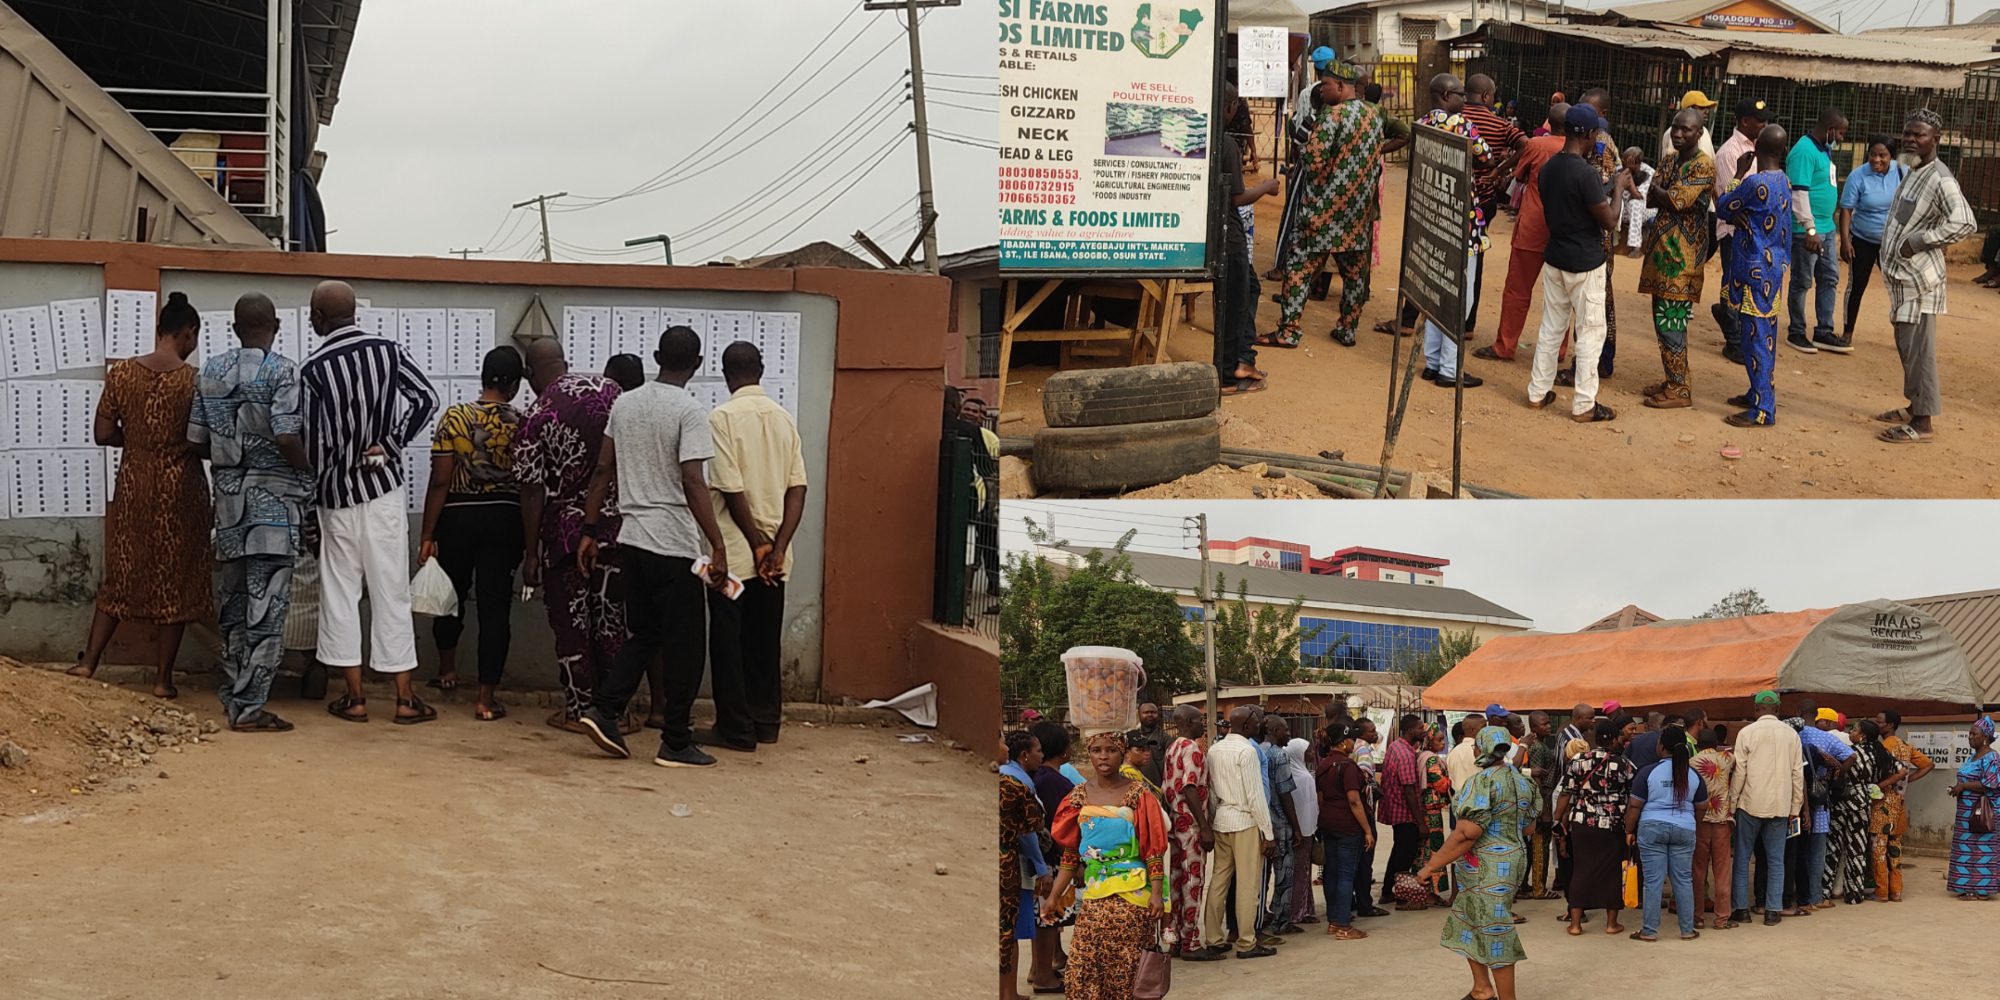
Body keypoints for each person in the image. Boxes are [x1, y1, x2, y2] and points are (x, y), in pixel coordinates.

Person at [575, 326, 731, 768]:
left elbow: (603, 469)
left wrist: (589, 529)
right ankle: (676, 741)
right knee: (685, 646)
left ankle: (604, 710)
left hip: (632, 539)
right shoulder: (690, 411)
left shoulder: (625, 404)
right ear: (697, 366)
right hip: (673, 543)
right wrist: (716, 545)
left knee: (643, 634)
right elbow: (692, 479)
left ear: (657, 356)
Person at [299, 280, 440, 724]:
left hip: (336, 498)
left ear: (319, 318)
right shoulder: (388, 350)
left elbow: (312, 441)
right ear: (354, 311)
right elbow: (427, 399)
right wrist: (391, 443)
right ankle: (404, 699)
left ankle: (355, 698)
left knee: (341, 594)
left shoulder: (313, 369)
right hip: (383, 492)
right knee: (391, 591)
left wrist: (312, 500)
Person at [69, 292, 214, 699]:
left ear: (159, 330)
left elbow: (101, 434)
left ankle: (88, 663)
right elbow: (203, 442)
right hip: (182, 489)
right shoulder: (195, 380)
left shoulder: (121, 375)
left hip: (134, 484)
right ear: (188, 333)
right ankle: (162, 681)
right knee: (176, 581)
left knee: (122, 572)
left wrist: (135, 442)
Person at [186, 292, 311, 731]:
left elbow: (195, 440)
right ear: (275, 325)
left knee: (235, 609)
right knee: (268, 611)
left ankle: (235, 695)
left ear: (236, 328)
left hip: (230, 510)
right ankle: (251, 708)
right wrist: (307, 476)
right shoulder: (284, 372)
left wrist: (230, 457)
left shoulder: (211, 372)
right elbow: (287, 435)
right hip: (274, 511)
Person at [517, 338, 634, 732]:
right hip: (619, 531)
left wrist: (531, 553)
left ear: (530, 375)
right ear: (565, 362)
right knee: (612, 623)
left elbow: (531, 488)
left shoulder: (537, 412)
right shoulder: (613, 391)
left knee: (572, 624)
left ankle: (579, 710)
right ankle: (617, 711)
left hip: (565, 536)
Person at [703, 342, 809, 748]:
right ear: (761, 369)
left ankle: (734, 727)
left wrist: (757, 544)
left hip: (733, 552)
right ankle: (766, 721)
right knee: (764, 639)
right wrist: (778, 547)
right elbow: (797, 488)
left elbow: (730, 488)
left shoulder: (721, 418)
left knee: (728, 640)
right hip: (776, 560)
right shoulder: (784, 419)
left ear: (725, 373)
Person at [418, 345, 526, 720]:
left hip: (459, 516)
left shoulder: (455, 417)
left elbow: (440, 481)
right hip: (506, 519)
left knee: (452, 596)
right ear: (514, 385)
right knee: (496, 607)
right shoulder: (522, 421)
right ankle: (486, 698)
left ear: (482, 377)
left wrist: (427, 534)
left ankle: (447, 670)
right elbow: (530, 485)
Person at [1876, 107, 1979, 445]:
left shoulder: (1940, 178)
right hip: (1904, 282)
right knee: (1909, 349)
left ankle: (1923, 422)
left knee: (1920, 352)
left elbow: (1965, 222)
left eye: (1918, 134)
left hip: (1919, 284)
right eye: (1907, 133)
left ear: (1936, 138)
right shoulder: (1914, 169)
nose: (1910, 139)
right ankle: (1914, 406)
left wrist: (1920, 241)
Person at [1043, 730, 1168, 999]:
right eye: (1097, 749)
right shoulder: (1078, 796)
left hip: (1132, 899)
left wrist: (1157, 894)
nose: (1103, 756)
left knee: (1128, 968)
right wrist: (1053, 897)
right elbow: (1070, 857)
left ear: (1122, 754)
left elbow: (1153, 851)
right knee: (1082, 968)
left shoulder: (1139, 795)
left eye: (1110, 750)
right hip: (1094, 896)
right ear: (1088, 753)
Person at [1416, 727, 1539, 1000]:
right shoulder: (1523, 782)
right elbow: (1529, 827)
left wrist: (1430, 866)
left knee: (1494, 928)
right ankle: (1481, 989)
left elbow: (1466, 833)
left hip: (1487, 865)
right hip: (1513, 857)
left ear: (1479, 749)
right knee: (1472, 919)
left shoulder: (1480, 782)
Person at [1264, 62, 1378, 350]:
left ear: (1340, 87)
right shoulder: (1373, 117)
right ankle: (1347, 329)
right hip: (1358, 216)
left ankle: (1289, 331)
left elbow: (1312, 164)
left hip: (1322, 213)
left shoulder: (1331, 117)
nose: (1321, 89)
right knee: (1354, 277)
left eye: (1325, 84)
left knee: (1299, 268)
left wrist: (1302, 143)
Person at [1525, 103, 1619, 423]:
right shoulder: (1585, 173)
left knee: (1552, 327)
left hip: (1556, 258)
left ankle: (1538, 392)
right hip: (1585, 262)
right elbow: (1608, 221)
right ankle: (1584, 405)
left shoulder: (1550, 167)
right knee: (1591, 332)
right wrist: (1618, 191)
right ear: (1592, 134)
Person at [1412, 74, 1493, 389]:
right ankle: (1449, 369)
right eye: (1461, 93)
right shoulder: (1461, 126)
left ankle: (1433, 363)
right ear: (1447, 94)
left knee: (1436, 291)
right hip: (1461, 221)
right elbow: (1486, 155)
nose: (1466, 99)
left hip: (1432, 218)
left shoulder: (1423, 123)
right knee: (1462, 296)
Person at [1714, 124, 1794, 429]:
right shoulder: (1783, 180)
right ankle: (1757, 393)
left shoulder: (1755, 183)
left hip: (1753, 269)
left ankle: (1763, 410)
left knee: (1757, 338)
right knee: (1762, 337)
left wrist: (1737, 174)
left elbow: (1722, 207)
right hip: (1772, 271)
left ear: (1755, 148)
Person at [1476, 104, 1568, 363]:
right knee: (1560, 295)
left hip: (1532, 226)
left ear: (1549, 122)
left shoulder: (1538, 145)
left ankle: (1505, 345)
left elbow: (1520, 175)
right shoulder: (1579, 149)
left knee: (1517, 289)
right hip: (1562, 231)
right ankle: (1558, 352)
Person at [1637, 108, 1716, 409]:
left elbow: (1677, 200)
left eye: (1686, 129)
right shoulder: (1670, 159)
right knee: (1662, 319)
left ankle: (1680, 390)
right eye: (1675, 128)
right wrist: (1664, 194)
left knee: (1673, 319)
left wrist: (1664, 194)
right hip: (1661, 251)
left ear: (1699, 133)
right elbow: (1652, 197)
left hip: (1684, 256)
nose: (1679, 134)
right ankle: (1673, 379)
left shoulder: (1703, 165)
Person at [1190, 705, 1275, 960]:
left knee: (1219, 881)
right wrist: (1268, 833)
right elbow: (1254, 795)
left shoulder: (1214, 749)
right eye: (1257, 722)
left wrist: (1214, 820)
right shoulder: (1248, 750)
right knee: (1248, 885)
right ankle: (1247, 942)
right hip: (1246, 821)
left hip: (1223, 821)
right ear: (1247, 726)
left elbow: (1212, 792)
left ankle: (1214, 938)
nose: (1260, 725)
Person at [1215, 85, 1279, 394]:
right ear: (1229, 108)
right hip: (1229, 237)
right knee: (1236, 300)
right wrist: (1267, 186)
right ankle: (1230, 371)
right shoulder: (1225, 144)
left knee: (1248, 289)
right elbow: (1237, 198)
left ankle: (1243, 357)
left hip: (1214, 233)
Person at [1728, 691, 1803, 924]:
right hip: (1780, 806)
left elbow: (1740, 772)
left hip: (1749, 803)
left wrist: (1732, 803)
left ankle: (1741, 909)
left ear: (1756, 709)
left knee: (1742, 858)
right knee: (1776, 860)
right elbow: (1797, 774)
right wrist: (1796, 807)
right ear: (1778, 710)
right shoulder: (1791, 735)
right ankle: (1772, 911)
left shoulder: (1746, 733)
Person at [1625, 723, 1706, 941]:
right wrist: (1693, 826)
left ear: (1661, 747)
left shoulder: (1648, 772)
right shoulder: (1693, 774)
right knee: (1683, 879)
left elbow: (1635, 806)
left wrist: (1629, 830)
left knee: (1653, 880)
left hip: (1652, 828)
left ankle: (1650, 931)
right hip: (1684, 828)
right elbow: (1701, 806)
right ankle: (1687, 930)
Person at [1710, 98, 1773, 365]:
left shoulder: (1761, 148)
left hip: (1756, 232)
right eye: (1760, 120)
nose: (1765, 124)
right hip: (1735, 231)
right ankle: (1733, 342)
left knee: (1746, 286)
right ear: (1745, 122)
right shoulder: (1729, 152)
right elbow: (1728, 198)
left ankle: (1731, 323)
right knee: (1733, 284)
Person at [1784, 108, 1848, 355]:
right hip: (1807, 230)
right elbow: (1798, 194)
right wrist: (1810, 229)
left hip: (1827, 228)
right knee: (1802, 281)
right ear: (1830, 128)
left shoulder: (1824, 149)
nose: (1841, 138)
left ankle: (1823, 330)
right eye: (1840, 133)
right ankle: (1796, 331)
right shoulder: (1804, 151)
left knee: (1829, 278)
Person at [1834, 135, 1905, 353]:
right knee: (1856, 286)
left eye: (1882, 155)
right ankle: (1847, 333)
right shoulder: (1858, 176)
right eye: (1873, 154)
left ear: (1891, 156)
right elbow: (1846, 209)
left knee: (1899, 288)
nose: (1876, 159)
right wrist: (1845, 240)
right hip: (1863, 239)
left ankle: (1904, 336)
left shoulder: (1903, 173)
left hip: (1892, 243)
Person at [1315, 718, 1374, 940]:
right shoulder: (1347, 766)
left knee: (1332, 871)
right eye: (1350, 739)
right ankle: (1343, 924)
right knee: (1346, 874)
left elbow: (1320, 798)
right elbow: (1354, 800)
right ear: (1343, 742)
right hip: (1348, 825)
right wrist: (1367, 830)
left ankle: (1333, 920)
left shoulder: (1324, 764)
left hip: (1328, 822)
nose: (1353, 743)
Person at [1160, 706, 1211, 955]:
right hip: (1190, 825)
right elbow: (1190, 787)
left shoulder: (1172, 747)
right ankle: (1191, 941)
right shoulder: (1192, 749)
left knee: (1177, 884)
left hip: (1175, 823)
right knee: (1193, 882)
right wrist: (1204, 826)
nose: (1203, 725)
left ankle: (1178, 938)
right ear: (1190, 722)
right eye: (1200, 720)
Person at [1001, 731, 1048, 1000]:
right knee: (1011, 930)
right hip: (1013, 864)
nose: (1041, 755)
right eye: (1037, 750)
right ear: (1025, 755)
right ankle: (1008, 993)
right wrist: (1041, 867)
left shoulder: (1006, 776)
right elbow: (1028, 832)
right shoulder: (1018, 783)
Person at [1871, 709, 1934, 901]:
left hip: (1882, 803)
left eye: (1880, 721)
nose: (1876, 723)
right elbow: (1928, 764)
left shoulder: (1883, 747)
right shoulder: (1906, 746)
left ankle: (1882, 891)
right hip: (1899, 804)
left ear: (1890, 725)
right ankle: (1896, 891)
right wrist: (1907, 781)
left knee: (1878, 849)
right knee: (1895, 849)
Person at [1799, 707, 1856, 910]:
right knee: (1816, 852)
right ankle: (1815, 897)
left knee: (1792, 853)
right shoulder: (1825, 738)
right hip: (1818, 800)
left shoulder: (1790, 733)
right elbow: (1852, 756)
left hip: (1792, 800)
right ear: (1816, 717)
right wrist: (1836, 774)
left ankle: (1794, 897)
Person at [1835, 719, 1892, 905]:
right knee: (1857, 848)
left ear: (1862, 736)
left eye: (1854, 729)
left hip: (1844, 801)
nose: (1851, 732)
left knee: (1834, 847)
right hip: (1863, 801)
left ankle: (1828, 890)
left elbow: (1839, 772)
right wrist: (1876, 785)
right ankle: (1854, 895)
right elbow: (1901, 770)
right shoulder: (1877, 752)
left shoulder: (1850, 752)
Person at [1258, 715, 1306, 936]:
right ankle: (1281, 920)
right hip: (1279, 822)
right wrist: (1296, 827)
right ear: (1275, 730)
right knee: (1284, 874)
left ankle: (1261, 916)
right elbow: (1286, 793)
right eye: (1285, 730)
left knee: (1261, 876)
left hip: (1261, 823)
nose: (1288, 734)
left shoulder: (1258, 751)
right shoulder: (1280, 755)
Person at [1376, 713, 1428, 907]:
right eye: (1420, 728)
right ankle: (1401, 894)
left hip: (1395, 809)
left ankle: (1387, 890)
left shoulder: (1396, 746)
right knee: (1404, 854)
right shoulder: (1405, 754)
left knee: (1399, 851)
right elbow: (1409, 791)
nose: (1423, 731)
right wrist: (1421, 822)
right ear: (1409, 730)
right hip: (1404, 812)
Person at [1947, 715, 2000, 900]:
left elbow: (1991, 783)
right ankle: (1966, 886)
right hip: (1966, 813)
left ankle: (1982, 890)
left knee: (1980, 849)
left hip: (1982, 812)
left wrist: (1964, 786)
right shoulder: (1973, 756)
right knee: (1966, 850)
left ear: (1985, 737)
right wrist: (1957, 788)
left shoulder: (1992, 757)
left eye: (1973, 734)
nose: (1969, 737)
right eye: (1969, 734)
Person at [1689, 724, 1736, 928]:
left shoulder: (1691, 763)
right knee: (1722, 870)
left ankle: (1697, 917)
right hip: (1721, 821)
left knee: (1698, 871)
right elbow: (1735, 754)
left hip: (1699, 821)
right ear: (1716, 744)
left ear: (1698, 745)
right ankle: (1722, 918)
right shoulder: (1726, 759)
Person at [1525, 711, 1561, 899]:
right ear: (1533, 728)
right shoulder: (1537, 747)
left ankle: (1534, 885)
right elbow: (1537, 778)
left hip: (1544, 796)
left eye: (1549, 723)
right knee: (1540, 845)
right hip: (1542, 797)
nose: (1548, 726)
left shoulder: (1541, 744)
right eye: (1544, 724)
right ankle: (1539, 888)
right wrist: (1543, 809)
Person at [1416, 723, 1453, 905]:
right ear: (1429, 741)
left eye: (1442, 739)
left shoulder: (1421, 756)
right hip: (1431, 812)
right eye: (1438, 739)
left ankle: (1425, 891)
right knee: (1434, 851)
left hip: (1426, 809)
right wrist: (1450, 780)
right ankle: (1432, 892)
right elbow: (1440, 784)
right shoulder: (1431, 759)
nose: (1442, 742)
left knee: (1424, 851)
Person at [1614, 147, 1654, 257]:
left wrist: (1628, 175)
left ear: (1634, 161)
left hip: (1645, 210)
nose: (1622, 162)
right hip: (1623, 209)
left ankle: (1636, 247)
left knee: (1634, 204)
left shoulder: (1649, 172)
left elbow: (1638, 196)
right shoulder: (1618, 169)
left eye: (1625, 160)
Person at [1659, 90, 1717, 163]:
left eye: (1707, 108)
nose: (1707, 111)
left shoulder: (1704, 131)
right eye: (1702, 108)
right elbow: (1672, 165)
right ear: (1690, 109)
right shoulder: (1675, 133)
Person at [1127, 702, 1168, 786]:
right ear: (1139, 714)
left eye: (1153, 712)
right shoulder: (1131, 737)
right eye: (1146, 712)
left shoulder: (1165, 738)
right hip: (1134, 786)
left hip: (1158, 788)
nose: (1150, 715)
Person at [1447, 714, 1485, 790]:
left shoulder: (1453, 753)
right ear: (1472, 730)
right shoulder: (1484, 749)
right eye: (1483, 727)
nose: (1487, 730)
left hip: (1461, 799)